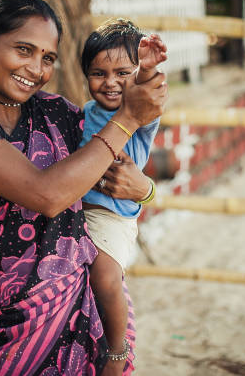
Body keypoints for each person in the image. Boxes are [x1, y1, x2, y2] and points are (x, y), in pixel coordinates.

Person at [0, 0, 167, 375]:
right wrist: (127, 119)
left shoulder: (55, 111)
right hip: (17, 318)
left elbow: (117, 157)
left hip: (90, 302)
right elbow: (47, 194)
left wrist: (146, 191)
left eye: (48, 58)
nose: (35, 68)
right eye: (24, 49)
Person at [79, 19, 167, 375]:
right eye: (98, 73)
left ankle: (116, 351)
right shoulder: (85, 112)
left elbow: (145, 90)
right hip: (82, 212)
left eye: (123, 72)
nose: (111, 82)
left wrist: (146, 68)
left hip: (112, 216)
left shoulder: (139, 114)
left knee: (104, 279)